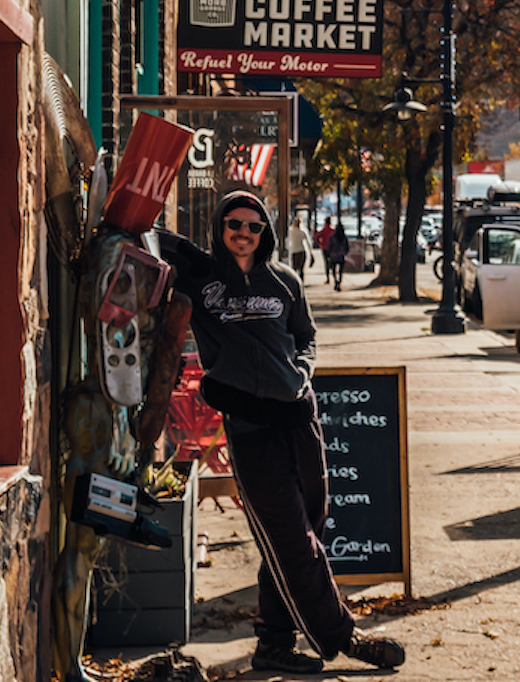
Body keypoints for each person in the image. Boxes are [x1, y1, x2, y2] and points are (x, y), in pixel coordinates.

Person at [160, 191, 404, 674]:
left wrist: (302, 371)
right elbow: (157, 243)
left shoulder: (286, 281)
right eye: (234, 224)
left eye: (253, 226)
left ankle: (273, 644)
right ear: (220, 227)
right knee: (292, 538)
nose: (243, 233)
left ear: (266, 232)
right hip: (252, 428)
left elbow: (306, 336)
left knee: (306, 529)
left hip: (299, 418)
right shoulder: (205, 279)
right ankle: (343, 636)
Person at [325, 221, 350, 291]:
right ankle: (339, 282)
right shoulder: (344, 237)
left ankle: (335, 280)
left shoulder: (332, 237)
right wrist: (345, 253)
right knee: (340, 271)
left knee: (333, 270)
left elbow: (329, 246)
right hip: (341, 256)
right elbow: (347, 247)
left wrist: (329, 253)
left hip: (333, 255)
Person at [287, 212, 312, 278]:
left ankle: (294, 281)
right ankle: (301, 281)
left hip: (294, 250)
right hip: (301, 250)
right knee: (301, 269)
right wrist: (310, 253)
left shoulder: (290, 231)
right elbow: (308, 243)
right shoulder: (302, 232)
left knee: (294, 268)